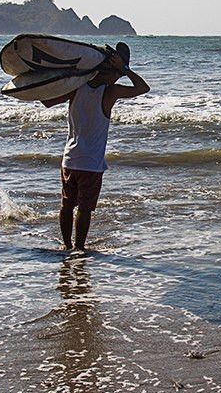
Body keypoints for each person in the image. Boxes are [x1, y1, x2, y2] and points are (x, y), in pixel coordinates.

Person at [42, 44, 149, 251]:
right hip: (90, 164)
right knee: (84, 208)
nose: (117, 79)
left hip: (69, 160)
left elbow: (47, 102)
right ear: (110, 71)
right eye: (117, 74)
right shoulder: (110, 92)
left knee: (66, 205)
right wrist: (126, 69)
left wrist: (42, 78)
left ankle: (66, 246)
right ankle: (79, 249)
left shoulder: (76, 88)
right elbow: (143, 88)